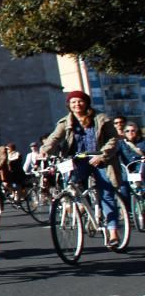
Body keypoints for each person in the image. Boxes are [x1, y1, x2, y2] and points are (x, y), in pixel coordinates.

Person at [41, 90, 122, 246]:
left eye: (80, 101)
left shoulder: (101, 119)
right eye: (73, 102)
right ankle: (82, 206)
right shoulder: (65, 122)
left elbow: (113, 139)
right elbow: (54, 138)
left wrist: (102, 155)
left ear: (86, 103)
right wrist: (45, 150)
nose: (77, 105)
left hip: (99, 159)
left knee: (106, 193)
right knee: (73, 185)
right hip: (78, 160)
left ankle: (113, 232)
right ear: (69, 105)